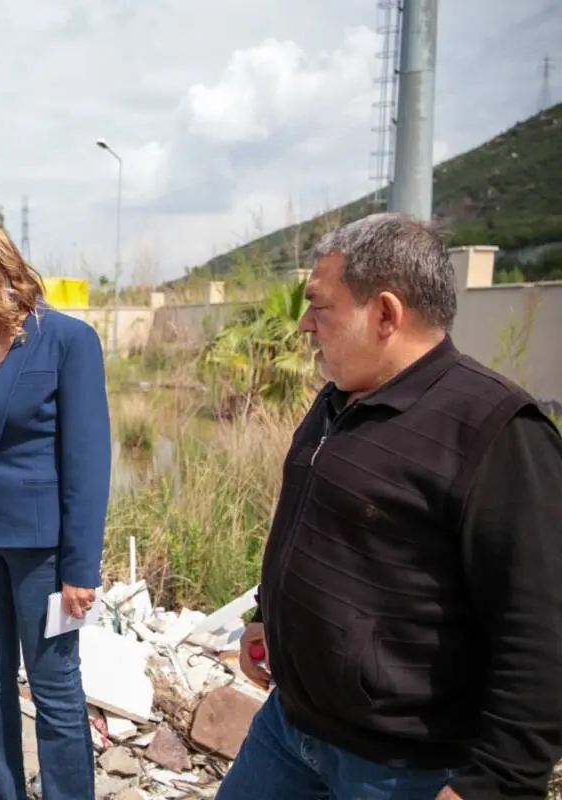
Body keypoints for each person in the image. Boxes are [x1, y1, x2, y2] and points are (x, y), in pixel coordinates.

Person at [219, 212, 562, 800]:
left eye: (319, 306)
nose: (304, 324)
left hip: (399, 769)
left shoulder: (498, 432)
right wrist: (268, 617)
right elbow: (310, 527)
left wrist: (493, 786)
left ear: (384, 314)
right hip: (289, 730)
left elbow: (540, 630)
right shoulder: (339, 401)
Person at [0, 221, 111, 800]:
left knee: (55, 685)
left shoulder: (67, 340)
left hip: (43, 549)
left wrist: (81, 568)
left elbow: (87, 461)